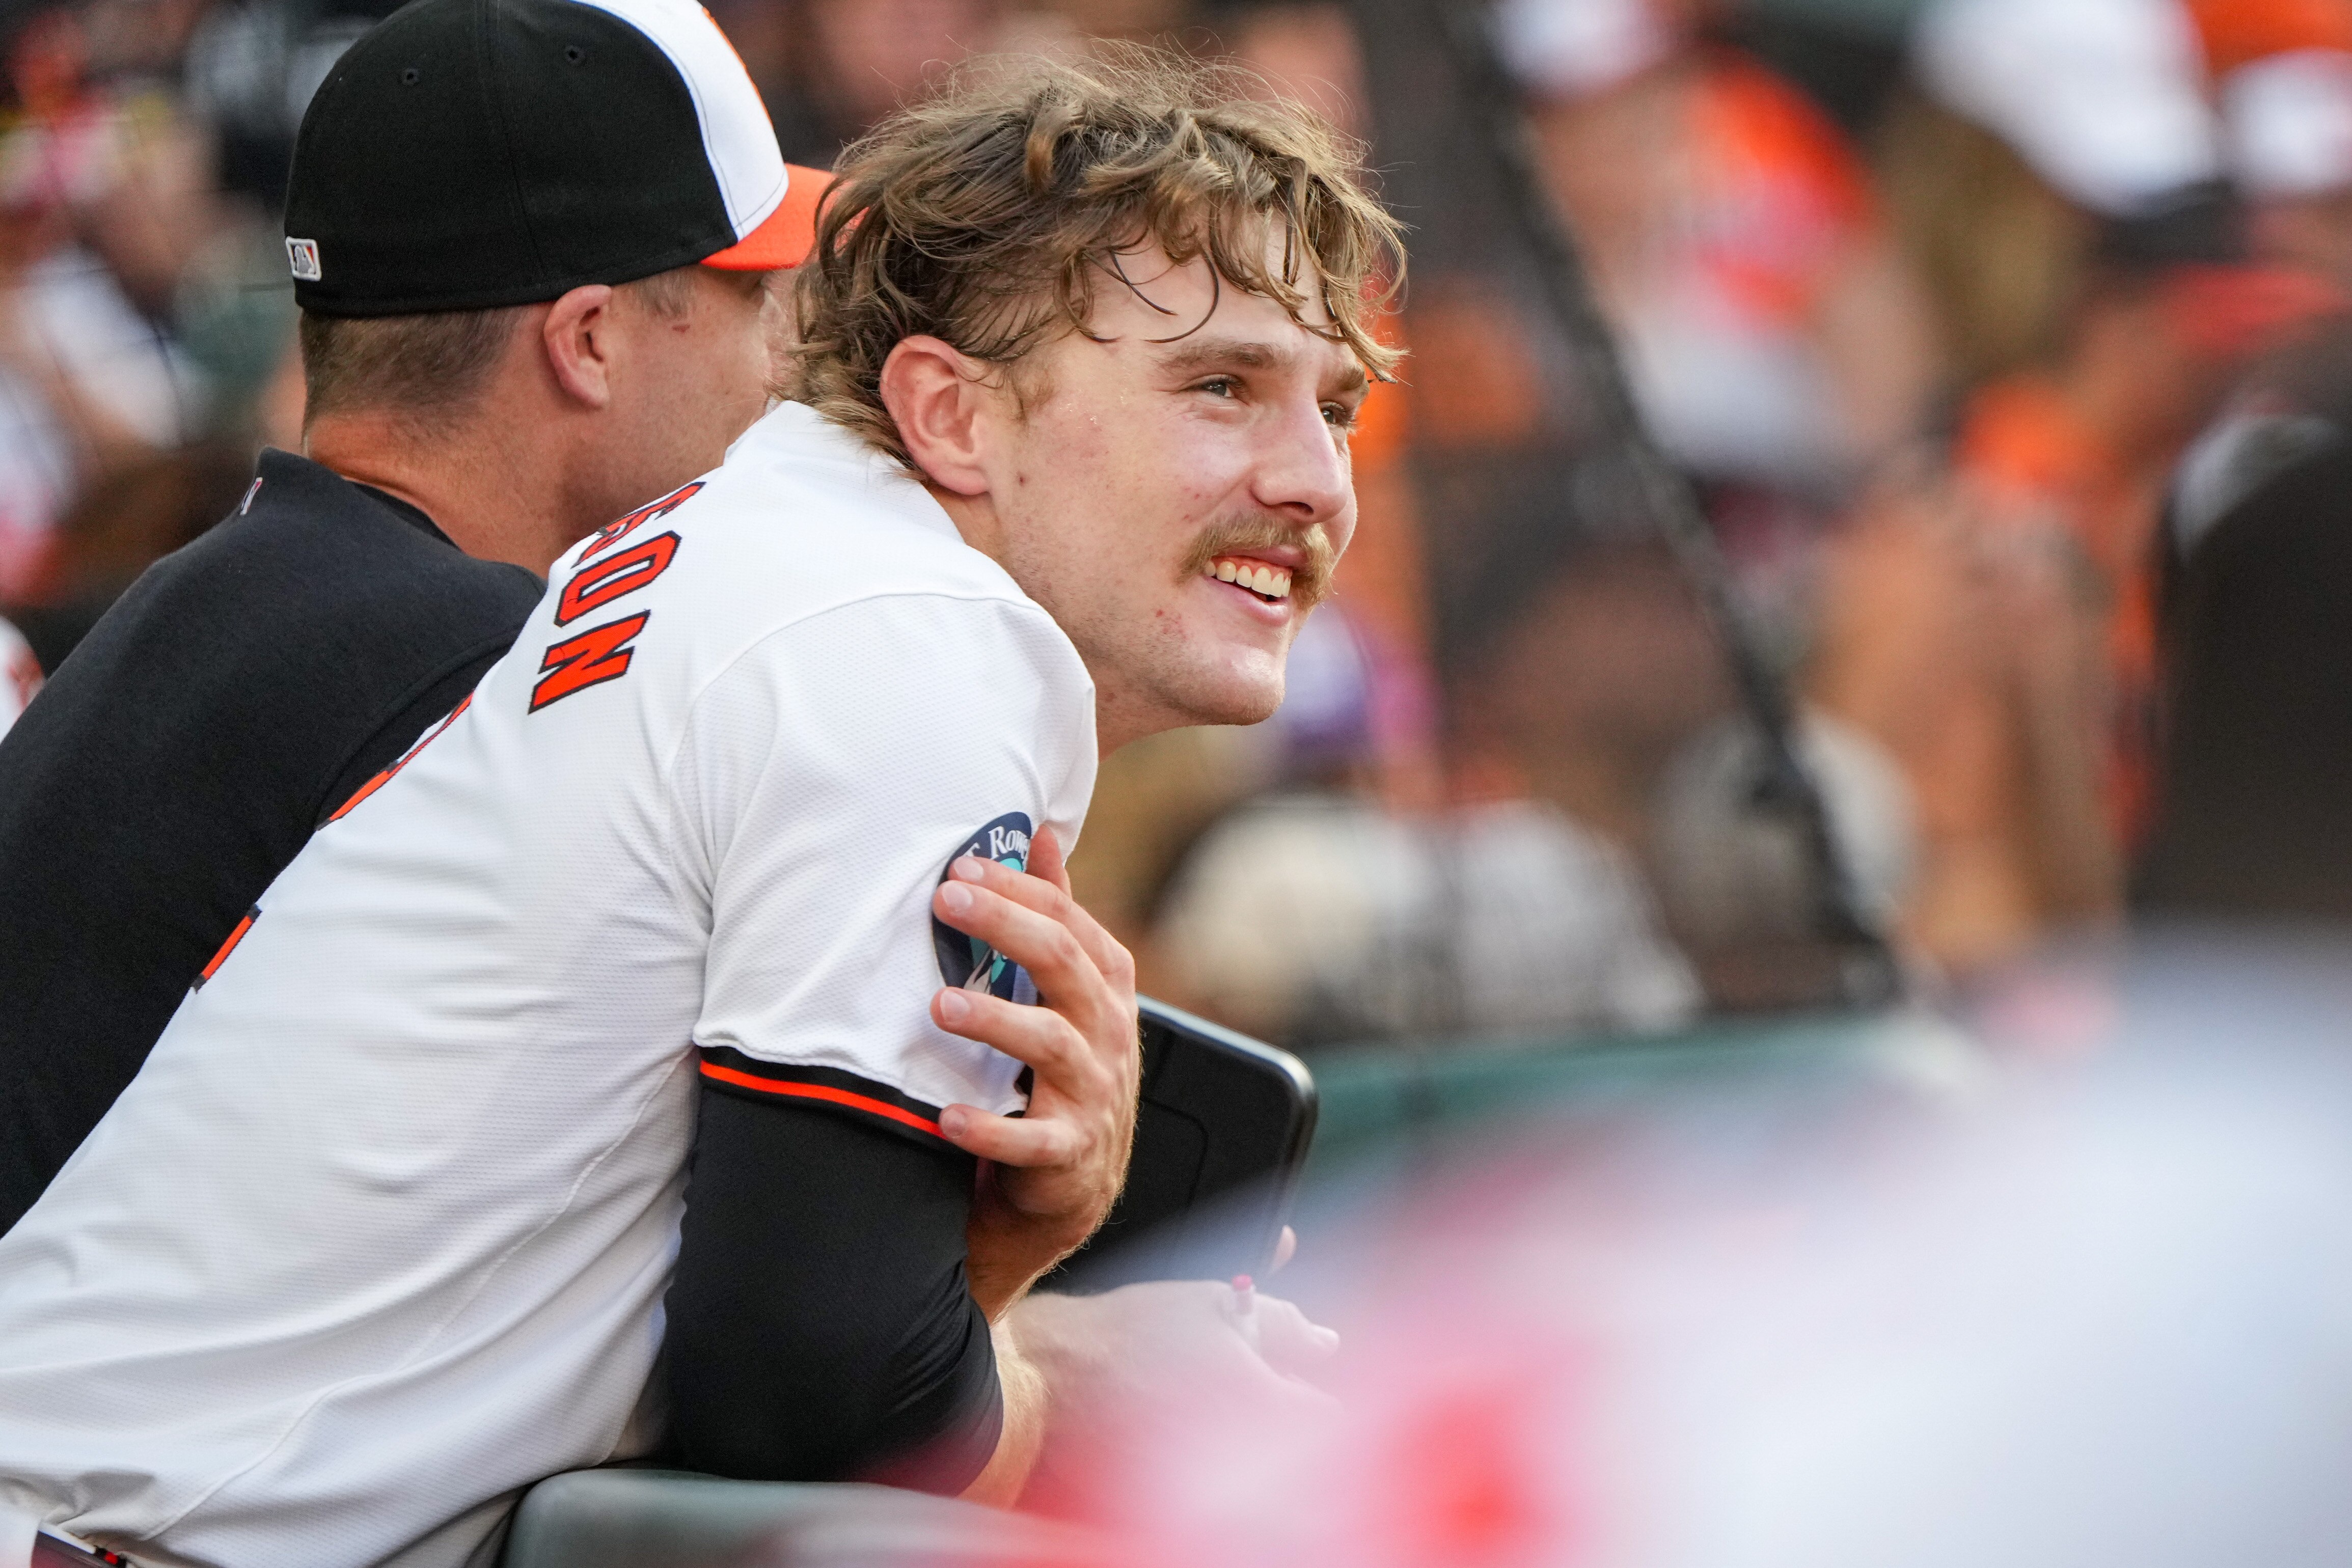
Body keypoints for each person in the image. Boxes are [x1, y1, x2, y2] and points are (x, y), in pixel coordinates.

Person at [0, 44, 1389, 1568]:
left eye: (1334, 407)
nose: (1317, 478)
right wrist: (1074, 1372)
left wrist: (991, 1291)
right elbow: (816, 1398)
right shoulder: (902, 631)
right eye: (1221, 388)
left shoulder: (771, 553)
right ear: (950, 416)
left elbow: (784, 1351)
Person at [0, 0, 834, 1230]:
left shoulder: (241, 590)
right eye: (747, 299)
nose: (778, 363)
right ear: (590, 342)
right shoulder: (469, 668)